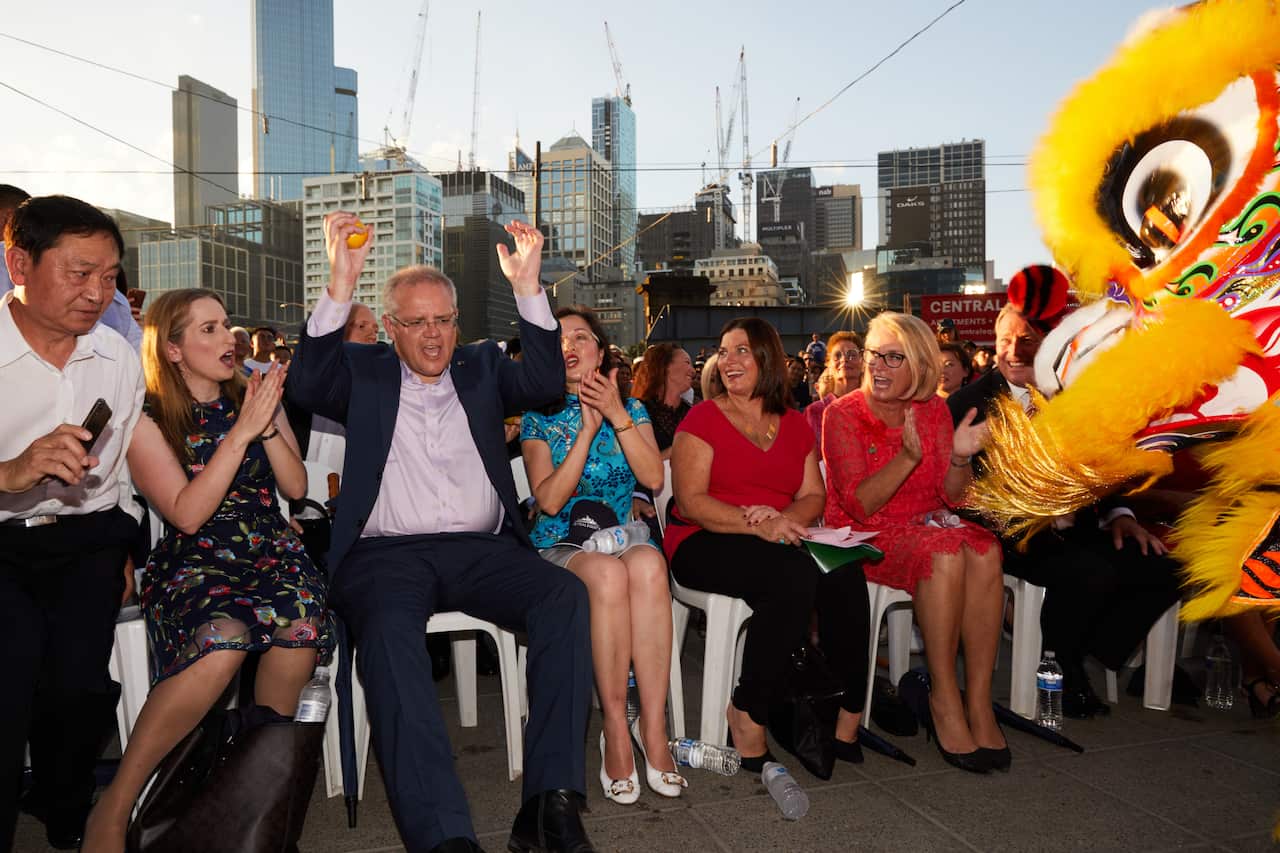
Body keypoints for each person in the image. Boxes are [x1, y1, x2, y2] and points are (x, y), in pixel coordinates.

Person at [287, 212, 594, 853]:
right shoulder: (363, 373)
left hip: (480, 549)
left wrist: (529, 286)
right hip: (385, 556)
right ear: (392, 329)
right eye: (418, 323)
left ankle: (549, 806)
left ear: (459, 321)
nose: (433, 336)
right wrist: (341, 280)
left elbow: (543, 385)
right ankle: (444, 837)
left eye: (444, 320)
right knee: (390, 636)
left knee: (563, 596)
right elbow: (308, 382)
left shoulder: (481, 367)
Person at [82, 289, 331, 852]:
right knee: (225, 638)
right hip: (195, 558)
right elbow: (189, 515)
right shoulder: (146, 418)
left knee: (300, 628)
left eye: (227, 327)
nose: (229, 340)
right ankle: (116, 803)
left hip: (270, 550)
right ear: (172, 349)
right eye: (209, 330)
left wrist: (264, 425)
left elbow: (294, 488)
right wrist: (242, 432)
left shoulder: (255, 399)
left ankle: (254, 798)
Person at [948, 302, 1183, 719]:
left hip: (1077, 525)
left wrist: (1122, 517)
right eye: (1005, 341)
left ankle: (1083, 645)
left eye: (1027, 340)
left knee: (1168, 566)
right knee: (1088, 572)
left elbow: (1106, 468)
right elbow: (961, 494)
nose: (1014, 351)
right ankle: (1064, 666)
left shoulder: (1076, 397)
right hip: (1009, 530)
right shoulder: (968, 403)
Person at [0, 196, 145, 851]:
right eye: (80, 272)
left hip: (85, 540)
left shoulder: (116, 358)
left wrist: (119, 546)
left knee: (79, 692)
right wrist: (11, 472)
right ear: (18, 262)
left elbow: (109, 476)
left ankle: (66, 817)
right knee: (9, 681)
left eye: (109, 276)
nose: (96, 292)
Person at [667, 318, 872, 769]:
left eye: (741, 350)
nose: (728, 360)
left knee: (845, 571)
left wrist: (782, 521)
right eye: (723, 352)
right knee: (792, 576)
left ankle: (846, 715)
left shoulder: (795, 423)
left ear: (767, 359)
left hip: (777, 534)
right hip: (705, 539)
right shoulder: (703, 417)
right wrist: (755, 523)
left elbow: (813, 496)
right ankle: (747, 710)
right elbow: (692, 501)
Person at [823, 312, 1006, 774]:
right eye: (873, 355)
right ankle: (943, 696)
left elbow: (954, 496)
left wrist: (961, 456)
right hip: (865, 537)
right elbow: (860, 505)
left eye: (893, 357)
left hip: (926, 524)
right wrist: (907, 456)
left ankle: (978, 701)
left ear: (920, 366)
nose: (877, 366)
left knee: (985, 547)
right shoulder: (842, 414)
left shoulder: (933, 411)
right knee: (943, 552)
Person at [520, 307, 682, 804]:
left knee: (651, 564)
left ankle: (653, 729)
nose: (570, 346)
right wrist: (586, 432)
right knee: (609, 577)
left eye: (582, 337)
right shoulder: (537, 418)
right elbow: (547, 501)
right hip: (559, 547)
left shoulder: (631, 411)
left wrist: (613, 415)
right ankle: (614, 727)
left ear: (600, 351)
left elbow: (654, 479)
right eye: (559, 339)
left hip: (620, 536)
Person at [631, 343, 696, 457]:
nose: (693, 371)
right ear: (665, 366)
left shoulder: (693, 413)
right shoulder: (637, 410)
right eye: (687, 363)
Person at [804, 331, 862, 455]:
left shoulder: (875, 408)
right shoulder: (814, 412)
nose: (845, 359)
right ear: (828, 364)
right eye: (837, 355)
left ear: (862, 362)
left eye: (852, 355)